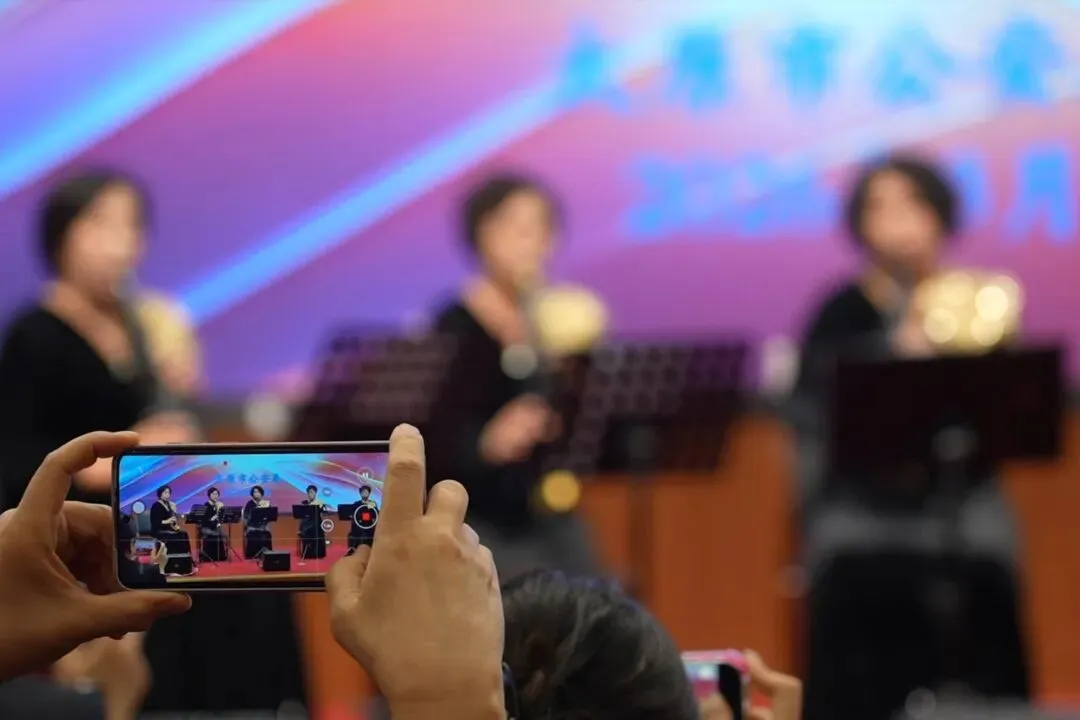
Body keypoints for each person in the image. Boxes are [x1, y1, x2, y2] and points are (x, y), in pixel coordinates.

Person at [0, 170, 306, 713]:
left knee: (260, 557)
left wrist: (177, 398)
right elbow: (19, 459)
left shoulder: (142, 325)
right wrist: (123, 460)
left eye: (132, 227)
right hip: (93, 524)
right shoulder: (34, 335)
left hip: (152, 507)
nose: (121, 244)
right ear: (61, 234)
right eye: (101, 224)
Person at [790, 153, 1029, 719]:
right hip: (864, 505)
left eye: (912, 204)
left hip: (961, 499)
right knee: (851, 571)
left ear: (939, 216)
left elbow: (1011, 412)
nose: (898, 220)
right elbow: (813, 418)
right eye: (880, 207)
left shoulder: (974, 301)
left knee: (991, 557)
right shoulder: (840, 313)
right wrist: (896, 353)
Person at [425, 173, 598, 582]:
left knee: (596, 592)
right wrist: (487, 441)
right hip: (478, 512)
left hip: (542, 510)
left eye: (542, 229)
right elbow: (435, 437)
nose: (531, 242)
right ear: (482, 234)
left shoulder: (553, 321)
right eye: (516, 228)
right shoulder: (455, 326)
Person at [148, 485, 191, 556]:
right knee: (175, 536)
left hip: (168, 529)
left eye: (168, 493)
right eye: (165, 493)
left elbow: (172, 520)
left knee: (184, 534)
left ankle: (185, 556)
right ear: (160, 494)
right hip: (159, 530)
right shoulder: (156, 505)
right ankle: (172, 556)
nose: (167, 495)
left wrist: (174, 512)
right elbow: (155, 522)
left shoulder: (169, 505)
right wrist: (167, 521)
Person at [242, 485, 274, 558]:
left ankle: (267, 554)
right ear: (252, 494)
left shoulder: (266, 503)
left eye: (258, 492)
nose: (256, 494)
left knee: (266, 534)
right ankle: (252, 555)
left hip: (263, 526)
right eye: (254, 492)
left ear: (261, 493)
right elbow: (246, 517)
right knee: (255, 534)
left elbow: (270, 516)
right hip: (252, 527)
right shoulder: (249, 503)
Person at [346, 484, 378, 552]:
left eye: (366, 492)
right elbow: (352, 514)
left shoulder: (372, 503)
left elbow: (376, 514)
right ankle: (355, 549)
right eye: (363, 492)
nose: (365, 494)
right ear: (360, 494)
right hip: (358, 526)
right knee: (353, 532)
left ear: (369, 494)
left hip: (369, 526)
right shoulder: (356, 504)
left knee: (371, 534)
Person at [299, 484, 327, 559]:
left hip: (316, 524)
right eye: (308, 492)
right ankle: (307, 553)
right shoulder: (305, 503)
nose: (310, 494)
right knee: (305, 528)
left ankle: (317, 553)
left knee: (315, 528)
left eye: (312, 492)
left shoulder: (320, 503)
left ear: (315, 493)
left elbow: (322, 514)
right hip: (307, 524)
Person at [199, 487, 228, 562]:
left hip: (215, 527)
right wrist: (214, 517)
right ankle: (208, 556)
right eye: (213, 494)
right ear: (209, 495)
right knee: (214, 533)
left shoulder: (219, 504)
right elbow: (205, 520)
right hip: (207, 527)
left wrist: (221, 510)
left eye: (217, 494)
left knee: (220, 532)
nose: (215, 496)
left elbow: (221, 519)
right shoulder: (206, 505)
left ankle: (220, 556)